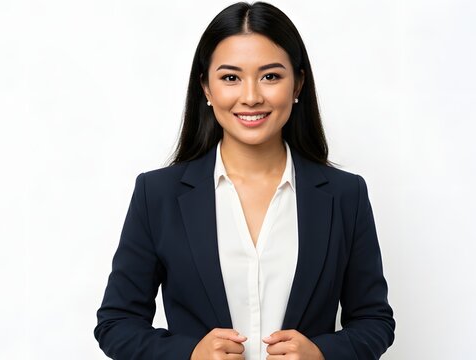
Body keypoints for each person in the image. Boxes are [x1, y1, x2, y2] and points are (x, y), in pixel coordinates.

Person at [94, 2, 395, 359]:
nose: (251, 96)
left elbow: (375, 321)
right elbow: (116, 323)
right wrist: (189, 354)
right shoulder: (157, 194)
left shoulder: (346, 194)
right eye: (230, 77)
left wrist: (322, 353)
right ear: (206, 87)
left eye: (270, 76)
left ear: (297, 83)